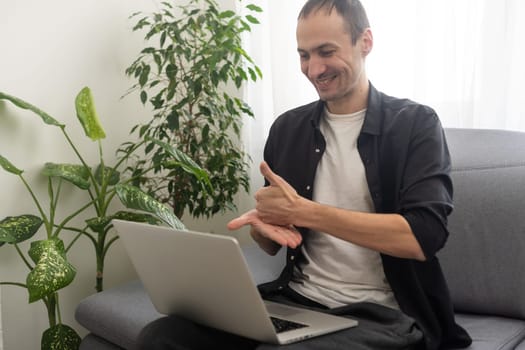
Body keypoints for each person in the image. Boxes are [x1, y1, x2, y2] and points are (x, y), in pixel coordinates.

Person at [137, 0, 472, 349]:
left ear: (366, 42)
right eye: (304, 55)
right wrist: (264, 227)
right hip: (298, 300)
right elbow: (272, 241)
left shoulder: (416, 124)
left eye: (326, 52)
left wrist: (304, 211)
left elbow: (424, 237)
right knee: (162, 337)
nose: (314, 69)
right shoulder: (288, 129)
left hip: (382, 313)